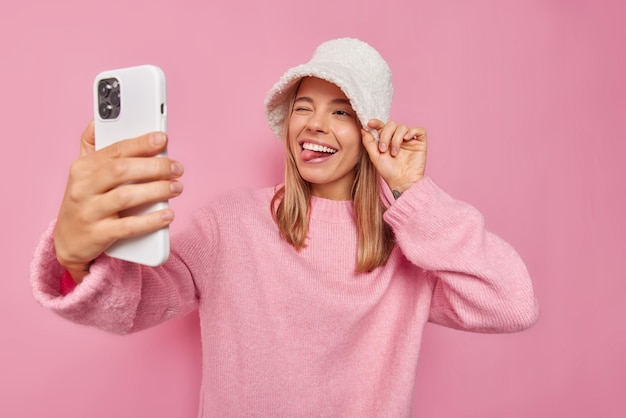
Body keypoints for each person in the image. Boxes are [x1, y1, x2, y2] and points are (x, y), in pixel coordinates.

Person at [31, 38, 539, 417]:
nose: (315, 124)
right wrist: (76, 256)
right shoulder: (230, 225)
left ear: (372, 135)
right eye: (303, 107)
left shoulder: (410, 246)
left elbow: (511, 302)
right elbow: (134, 305)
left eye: (340, 111)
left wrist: (413, 193)